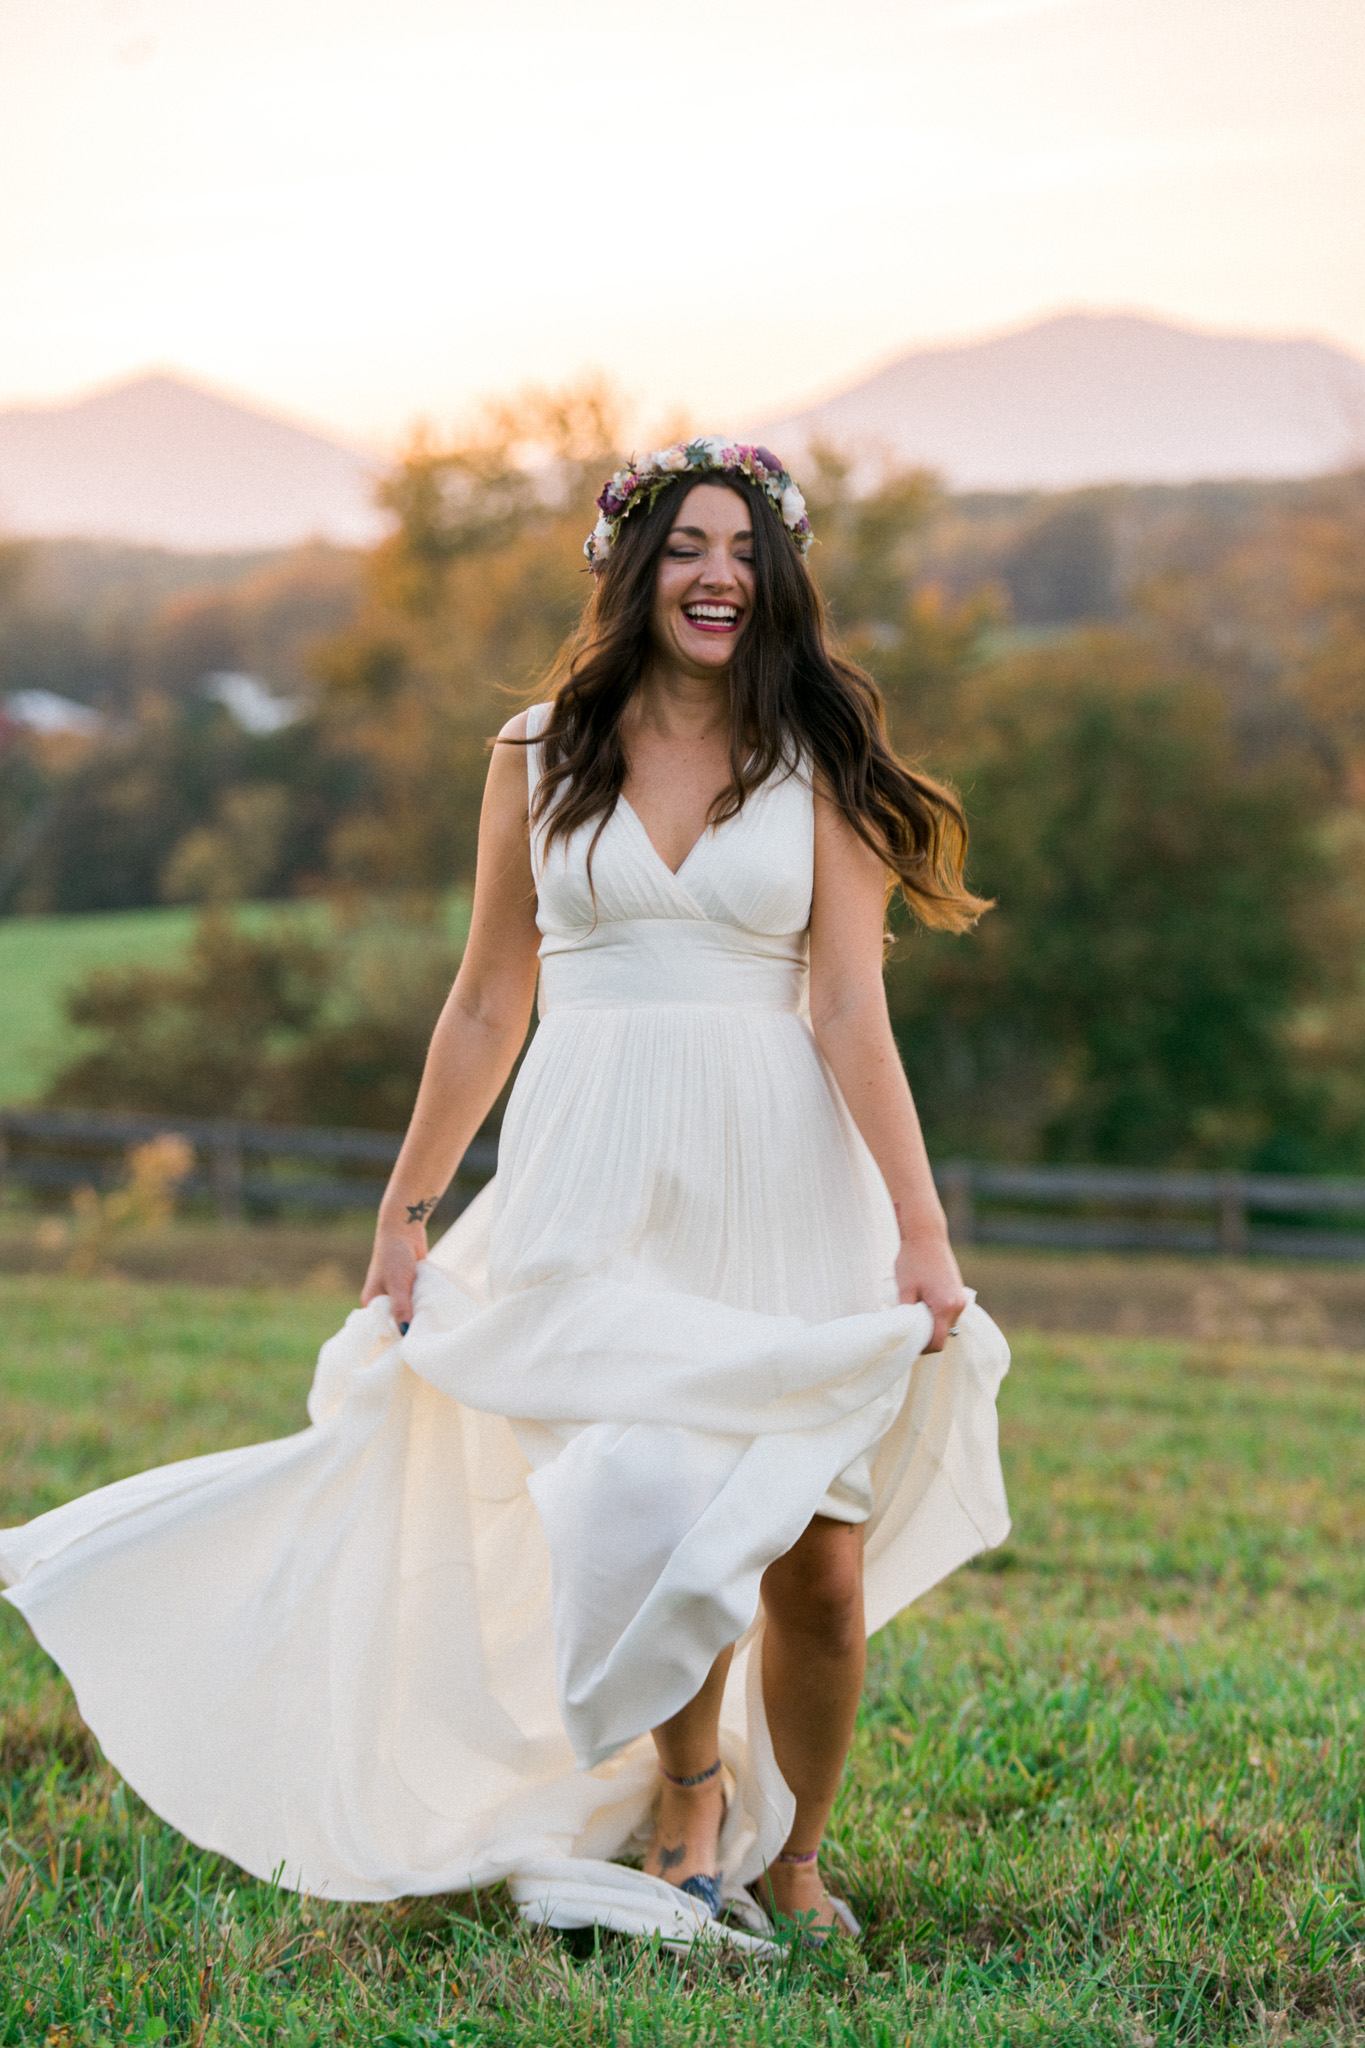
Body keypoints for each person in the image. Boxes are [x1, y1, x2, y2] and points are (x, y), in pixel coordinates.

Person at [0, 440, 1010, 1952]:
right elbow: (486, 1001)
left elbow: (851, 1011)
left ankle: (795, 1852)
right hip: (591, 1179)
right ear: (630, 569)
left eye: (740, 546)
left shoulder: (824, 761)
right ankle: (682, 1791)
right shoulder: (539, 753)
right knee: (635, 1499)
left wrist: (920, 1236)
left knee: (818, 1554)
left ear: (778, 572)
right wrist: (405, 1211)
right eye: (681, 545)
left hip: (783, 1178)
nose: (714, 572)